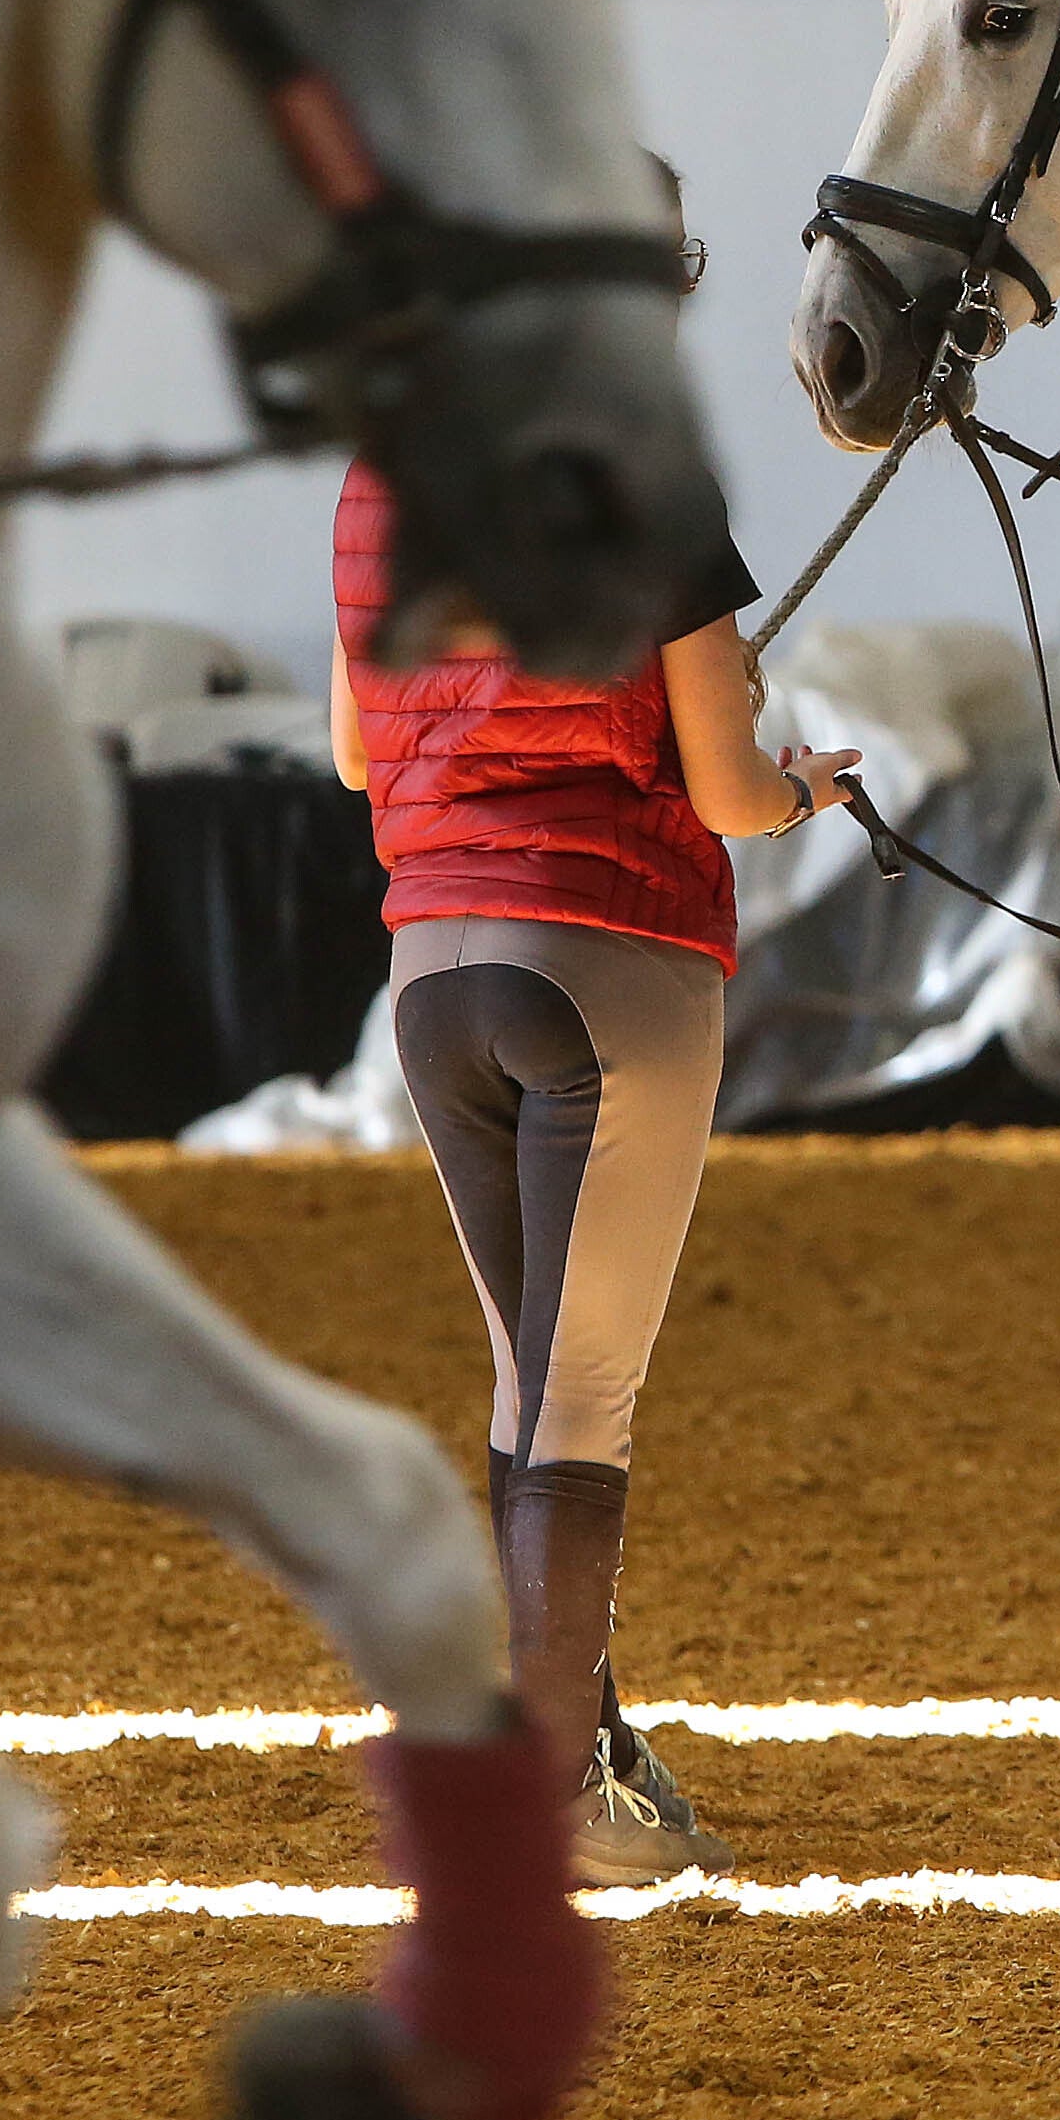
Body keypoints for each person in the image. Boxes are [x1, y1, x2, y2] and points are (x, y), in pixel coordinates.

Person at [330, 465, 852, 1884]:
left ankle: (579, 1745)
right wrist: (800, 786)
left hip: (433, 980)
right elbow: (732, 796)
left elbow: (358, 758)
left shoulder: (377, 488)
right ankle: (551, 1796)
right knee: (580, 1400)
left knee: (528, 1379)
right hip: (604, 963)